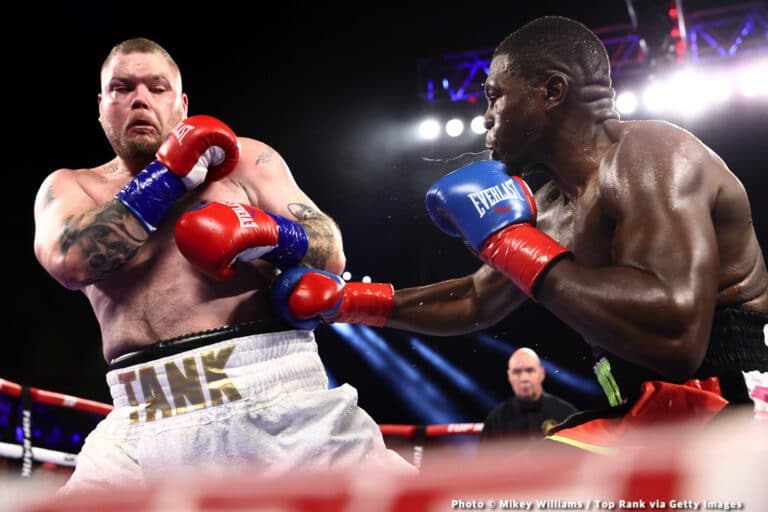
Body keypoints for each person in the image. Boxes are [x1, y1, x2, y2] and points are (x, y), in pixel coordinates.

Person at [269, 16, 768, 451]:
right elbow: (473, 299)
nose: (485, 117)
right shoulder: (547, 209)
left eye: (495, 97)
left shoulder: (653, 157)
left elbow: (677, 338)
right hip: (651, 412)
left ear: (551, 92)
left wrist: (515, 247)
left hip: (732, 402)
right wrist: (348, 301)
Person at [33, 37, 413, 494]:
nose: (139, 99)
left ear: (182, 103)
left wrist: (267, 232)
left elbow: (330, 252)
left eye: (157, 87)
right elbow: (70, 261)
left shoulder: (244, 159)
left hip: (276, 392)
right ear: (101, 105)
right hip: (142, 416)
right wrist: (170, 176)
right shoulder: (72, 186)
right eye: (121, 88)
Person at [480, 348, 577, 442]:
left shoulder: (566, 413)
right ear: (509, 376)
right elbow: (484, 457)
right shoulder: (496, 420)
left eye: (530, 370)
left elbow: (582, 456)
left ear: (541, 373)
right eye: (517, 372)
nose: (524, 378)